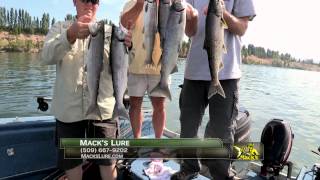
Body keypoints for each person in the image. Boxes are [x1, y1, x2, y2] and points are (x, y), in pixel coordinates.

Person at [40, 0, 131, 179]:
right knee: (72, 164)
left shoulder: (112, 32)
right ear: (74, 1)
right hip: (69, 112)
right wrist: (69, 35)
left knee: (108, 162)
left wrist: (128, 48)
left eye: (95, 0)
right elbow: (46, 56)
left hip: (104, 110)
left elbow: (124, 69)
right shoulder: (60, 27)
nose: (89, 4)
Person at [171, 0, 256, 179]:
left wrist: (222, 13)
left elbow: (242, 28)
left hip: (226, 74)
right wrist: (190, 16)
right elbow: (190, 31)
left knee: (223, 131)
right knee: (188, 127)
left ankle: (222, 174)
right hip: (193, 72)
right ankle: (189, 167)